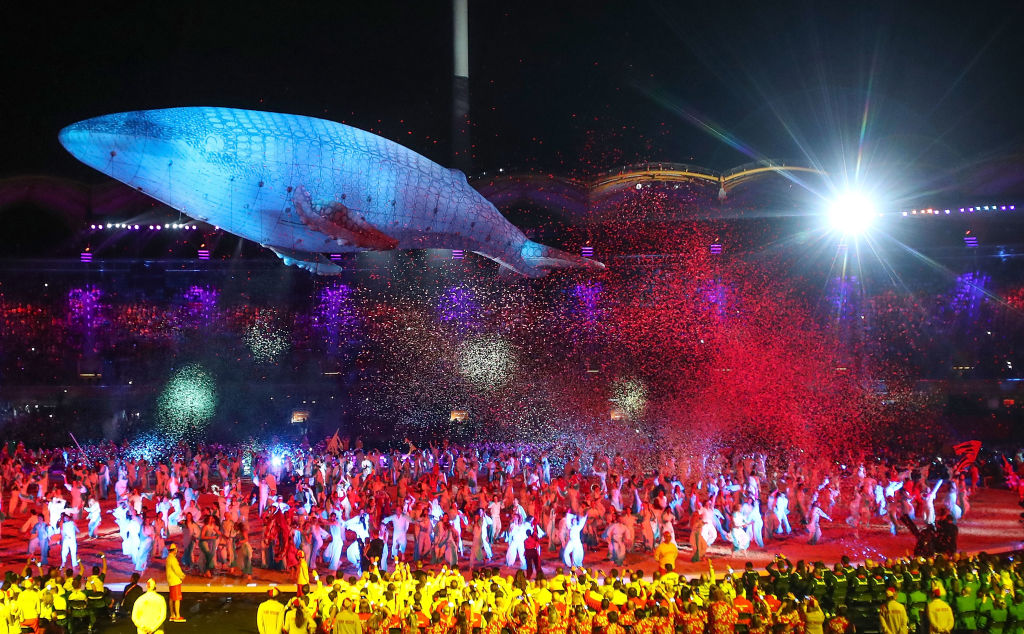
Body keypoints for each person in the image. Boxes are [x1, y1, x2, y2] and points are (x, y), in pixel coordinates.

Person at [165, 543, 186, 623]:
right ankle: (177, 615)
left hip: (171, 581)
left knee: (171, 598)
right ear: (174, 550)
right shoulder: (172, 559)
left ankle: (172, 615)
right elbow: (176, 569)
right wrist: (182, 576)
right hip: (175, 581)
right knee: (177, 599)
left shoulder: (168, 558)